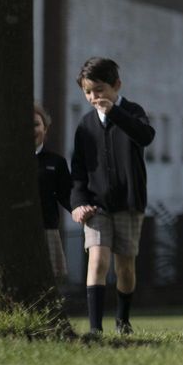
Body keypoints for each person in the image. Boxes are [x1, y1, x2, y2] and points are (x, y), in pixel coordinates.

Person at [69, 58, 154, 336]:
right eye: (88, 92)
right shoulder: (84, 126)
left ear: (116, 85)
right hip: (97, 206)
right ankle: (95, 328)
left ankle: (123, 319)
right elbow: (79, 170)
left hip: (129, 204)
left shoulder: (132, 113)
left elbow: (145, 136)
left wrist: (115, 112)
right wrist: (78, 202)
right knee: (98, 260)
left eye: (100, 89)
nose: (95, 97)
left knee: (125, 267)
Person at [34, 101, 72, 282]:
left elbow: (67, 195)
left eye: (36, 125)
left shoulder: (56, 162)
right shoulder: (9, 162)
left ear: (45, 128)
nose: (32, 130)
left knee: (49, 282)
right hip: (15, 232)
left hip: (47, 228)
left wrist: (84, 211)